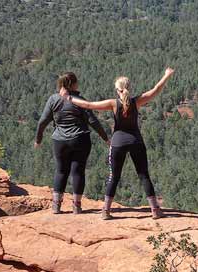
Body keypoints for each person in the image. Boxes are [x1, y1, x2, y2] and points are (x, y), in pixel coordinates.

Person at [68, 67, 174, 219]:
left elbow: (89, 105)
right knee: (144, 175)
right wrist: (166, 75)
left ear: (117, 90)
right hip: (136, 141)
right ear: (129, 88)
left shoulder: (113, 103)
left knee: (114, 177)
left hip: (118, 143)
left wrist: (69, 98)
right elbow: (156, 89)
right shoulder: (137, 101)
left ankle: (106, 211)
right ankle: (155, 210)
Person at [35, 72, 109, 214]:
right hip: (80, 139)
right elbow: (92, 121)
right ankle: (76, 206)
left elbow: (43, 121)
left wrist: (38, 139)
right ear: (73, 84)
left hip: (59, 141)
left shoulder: (53, 100)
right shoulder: (79, 100)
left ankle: (56, 206)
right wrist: (105, 138)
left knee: (61, 171)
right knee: (78, 172)